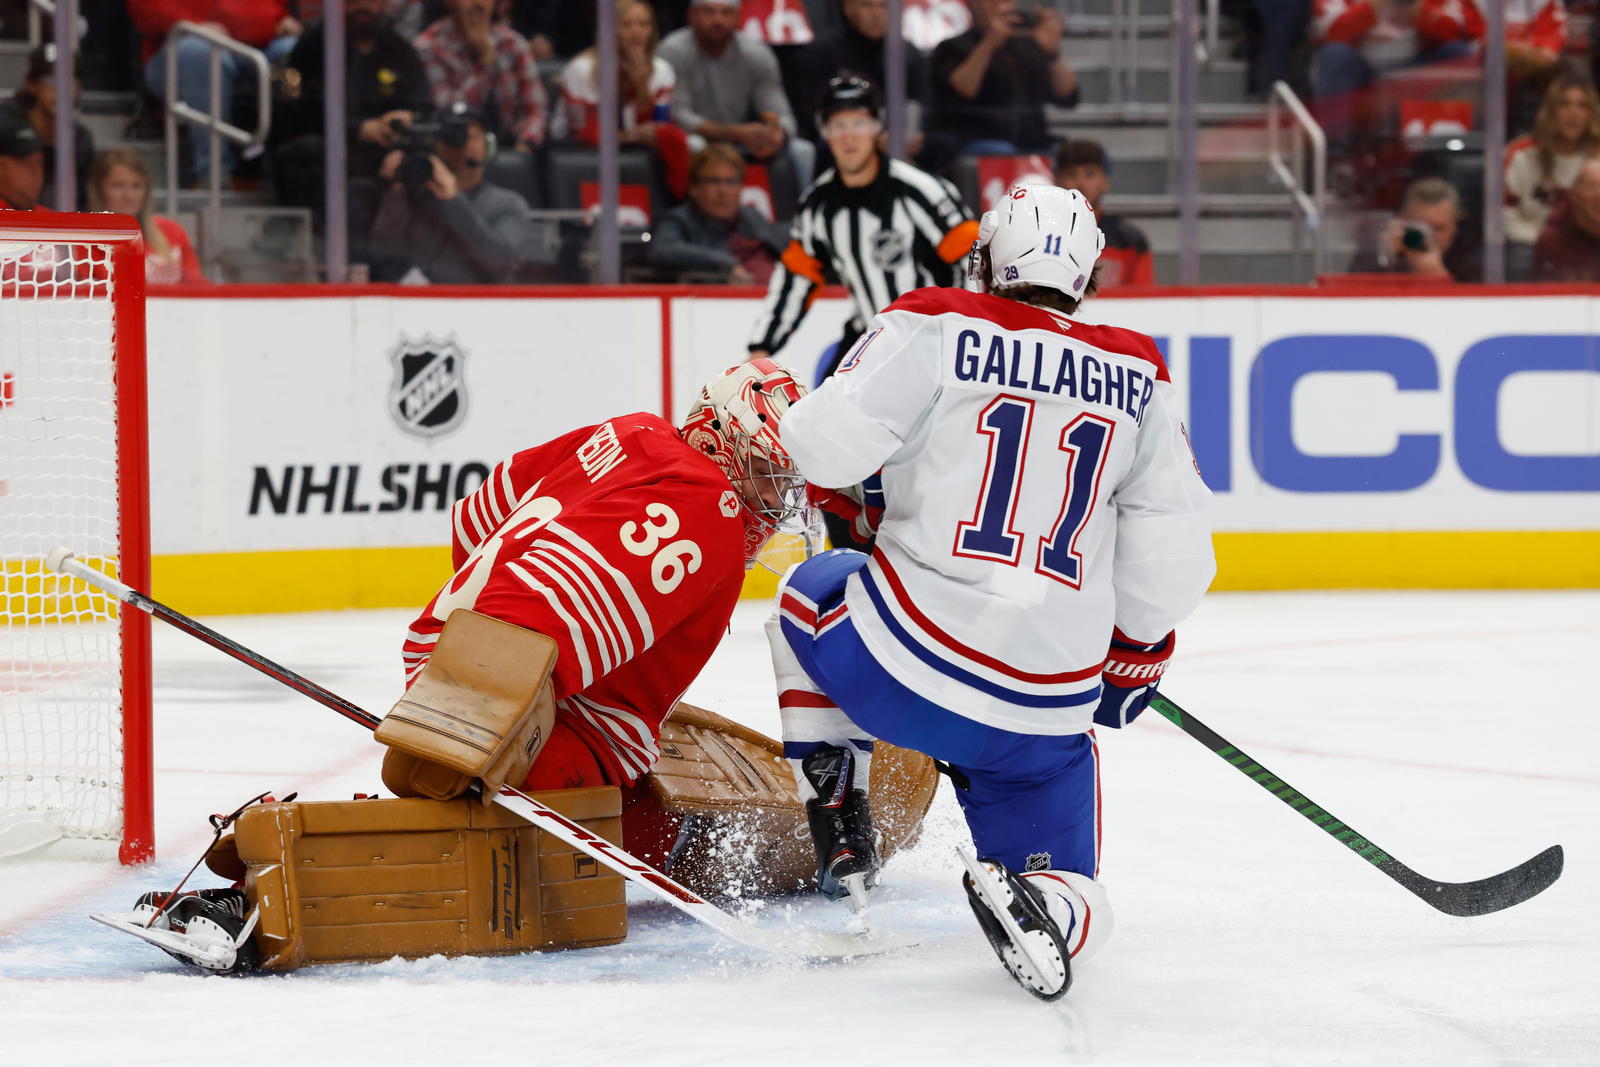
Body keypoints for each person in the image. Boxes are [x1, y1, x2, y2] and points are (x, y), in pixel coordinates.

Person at [765, 182, 1214, 1000]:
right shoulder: (1141, 371)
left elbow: (822, 448)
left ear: (987, 256)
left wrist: (867, 494)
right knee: (1084, 890)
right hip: (1041, 716)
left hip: (902, 668)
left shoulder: (935, 320)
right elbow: (1175, 556)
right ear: (1088, 275)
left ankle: (841, 816)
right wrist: (1135, 652)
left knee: (806, 592)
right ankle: (1045, 900)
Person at [395, 359, 808, 858]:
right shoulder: (707, 508)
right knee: (671, 842)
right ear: (719, 437)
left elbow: (477, 517)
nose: (775, 499)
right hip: (503, 707)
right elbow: (541, 611)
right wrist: (482, 710)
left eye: (784, 480)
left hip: (451, 655)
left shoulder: (633, 430)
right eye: (764, 473)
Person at [272, 0, 433, 249]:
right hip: (325, 148)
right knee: (302, 152)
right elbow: (290, 102)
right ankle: (311, 244)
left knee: (417, 162)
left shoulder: (401, 51)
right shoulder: (310, 45)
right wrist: (356, 129)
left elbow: (423, 105)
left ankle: (409, 255)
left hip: (382, 150)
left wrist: (405, 120)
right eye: (353, 1)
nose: (363, 7)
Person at [130, 0, 302, 182]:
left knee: (292, 49)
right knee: (203, 52)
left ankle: (291, 174)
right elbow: (149, 11)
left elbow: (259, 11)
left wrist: (275, 20)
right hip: (176, 49)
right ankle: (214, 175)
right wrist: (194, 24)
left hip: (254, 43)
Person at [658, 0, 816, 188]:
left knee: (803, 150)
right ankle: (688, 211)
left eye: (726, 13)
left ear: (738, 18)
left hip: (745, 142)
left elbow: (783, 115)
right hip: (701, 140)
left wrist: (776, 135)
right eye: (709, 12)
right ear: (692, 16)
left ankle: (804, 212)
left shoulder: (757, 53)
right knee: (693, 145)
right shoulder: (673, 51)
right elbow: (677, 115)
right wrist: (735, 133)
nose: (718, 20)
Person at [368, 106, 535, 283]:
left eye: (471, 136)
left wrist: (454, 199)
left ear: (488, 145)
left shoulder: (508, 204)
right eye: (450, 136)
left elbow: (499, 261)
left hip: (482, 306)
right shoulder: (412, 196)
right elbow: (382, 258)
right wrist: (395, 192)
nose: (462, 143)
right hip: (418, 305)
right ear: (434, 144)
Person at [553, 0, 691, 199]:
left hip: (634, 144)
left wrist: (642, 89)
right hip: (574, 145)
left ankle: (678, 200)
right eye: (627, 25)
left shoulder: (661, 70)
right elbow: (584, 131)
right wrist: (630, 136)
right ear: (610, 28)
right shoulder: (582, 69)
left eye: (644, 24)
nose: (636, 32)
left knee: (677, 138)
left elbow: (658, 126)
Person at [927, 0, 1079, 155]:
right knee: (1001, 151)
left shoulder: (1029, 45)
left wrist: (1052, 53)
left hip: (1034, 142)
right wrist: (989, 43)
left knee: (1080, 155)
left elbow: (1067, 95)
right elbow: (963, 89)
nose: (1001, 6)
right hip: (977, 141)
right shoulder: (953, 47)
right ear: (973, 5)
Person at [795, 0, 932, 159]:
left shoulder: (907, 53)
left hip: (900, 137)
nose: (876, 14)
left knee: (940, 145)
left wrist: (914, 134)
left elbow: (919, 102)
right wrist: (870, 137)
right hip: (843, 138)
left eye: (884, 6)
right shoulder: (822, 52)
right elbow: (813, 113)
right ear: (848, 8)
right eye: (867, 5)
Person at [414, 0, 549, 152]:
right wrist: (485, 60)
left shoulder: (514, 44)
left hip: (511, 148)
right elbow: (449, 114)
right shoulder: (427, 47)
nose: (477, 3)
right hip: (454, 150)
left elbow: (536, 111)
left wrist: (525, 143)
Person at [1503, 73, 1600, 278]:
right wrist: (1541, 237)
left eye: (1583, 106)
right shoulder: (1522, 154)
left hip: (1590, 242)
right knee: (1519, 257)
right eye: (1564, 104)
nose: (1573, 114)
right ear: (1550, 111)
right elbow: (1505, 212)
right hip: (1531, 243)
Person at [648, 143, 788, 283]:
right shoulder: (679, 220)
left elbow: (776, 241)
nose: (723, 191)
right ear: (693, 188)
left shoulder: (750, 215)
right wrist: (726, 263)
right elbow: (663, 250)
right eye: (713, 181)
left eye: (731, 182)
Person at [87, 149, 207, 284]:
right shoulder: (84, 243)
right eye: (118, 186)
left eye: (136, 186)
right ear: (99, 190)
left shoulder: (171, 230)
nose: (129, 196)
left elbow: (198, 285)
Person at [0, 46, 95, 210]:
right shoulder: (6, 127)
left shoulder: (80, 139)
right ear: (32, 84)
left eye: (69, 81)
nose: (61, 90)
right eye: (52, 81)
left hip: (58, 225)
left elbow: (83, 202)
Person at [1054, 138, 1153, 288]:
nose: (1081, 183)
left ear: (1105, 182)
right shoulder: (1040, 236)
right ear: (1057, 181)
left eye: (1089, 174)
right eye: (1071, 175)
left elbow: (1143, 299)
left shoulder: (1129, 241)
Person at [1346, 175, 1481, 280]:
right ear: (1401, 221)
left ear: (1455, 226)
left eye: (1438, 228)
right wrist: (1386, 258)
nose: (1429, 237)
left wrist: (1435, 274)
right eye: (1419, 227)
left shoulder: (1473, 261)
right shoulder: (1377, 253)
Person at [1531, 154, 1600, 281]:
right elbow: (1552, 296)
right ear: (1574, 195)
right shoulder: (1553, 240)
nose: (1598, 194)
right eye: (1591, 186)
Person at [0, 115, 44, 211]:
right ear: (2, 167)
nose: (35, 172)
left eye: (38, 162)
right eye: (26, 163)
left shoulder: (50, 217)